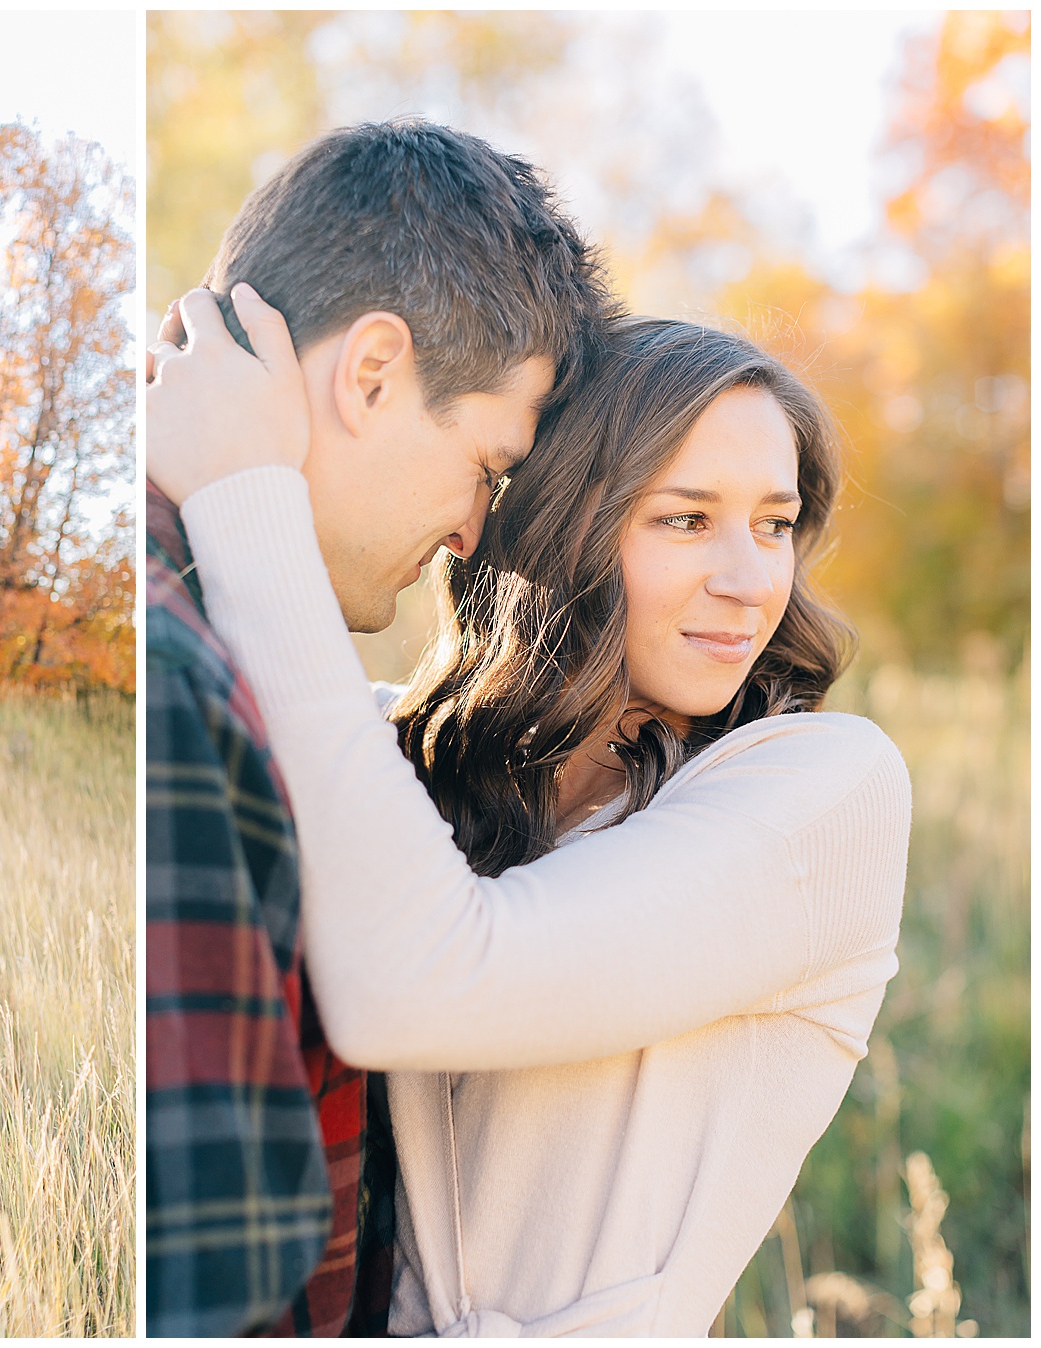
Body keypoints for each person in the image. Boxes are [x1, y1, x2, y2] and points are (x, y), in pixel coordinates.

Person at [148, 308, 911, 1335]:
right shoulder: (397, 762)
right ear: (565, 523)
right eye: (685, 519)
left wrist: (247, 496)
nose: (750, 579)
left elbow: (420, 985)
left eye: (774, 522)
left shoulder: (822, 793)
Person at [145, 120, 615, 1336]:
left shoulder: (223, 645)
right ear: (370, 374)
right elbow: (206, 1293)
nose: (472, 532)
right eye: (488, 463)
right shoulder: (176, 682)